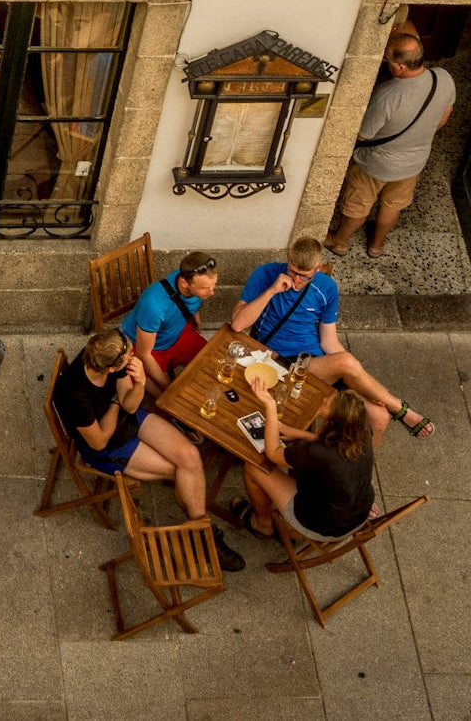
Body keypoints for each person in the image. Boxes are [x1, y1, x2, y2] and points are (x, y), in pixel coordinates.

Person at [54, 330, 244, 571]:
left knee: (190, 457)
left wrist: (141, 382)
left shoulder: (105, 352)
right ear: (110, 368)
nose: (134, 357)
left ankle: (201, 532)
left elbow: (130, 404)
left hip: (127, 418)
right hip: (108, 446)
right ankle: (205, 538)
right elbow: (99, 441)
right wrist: (114, 402)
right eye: (129, 356)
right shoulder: (75, 396)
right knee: (180, 473)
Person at [231, 237, 432, 440]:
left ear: (317, 269)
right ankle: (399, 407)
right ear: (288, 257)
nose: (297, 281)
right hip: (279, 361)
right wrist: (272, 290)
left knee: (379, 417)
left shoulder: (326, 287)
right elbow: (238, 324)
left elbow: (329, 341)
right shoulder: (265, 274)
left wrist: (361, 377)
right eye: (292, 272)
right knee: (347, 363)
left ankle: (356, 468)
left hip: (317, 364)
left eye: (305, 276)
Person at [325, 32, 455, 259]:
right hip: (414, 162)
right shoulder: (443, 78)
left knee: (358, 204)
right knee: (393, 204)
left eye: (388, 60)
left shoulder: (388, 94)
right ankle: (376, 246)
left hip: (376, 164)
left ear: (401, 67)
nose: (386, 64)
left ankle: (340, 242)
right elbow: (444, 117)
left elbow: (364, 135)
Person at [232, 379, 375, 542]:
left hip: (325, 526)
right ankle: (287, 527)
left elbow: (273, 453)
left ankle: (263, 525)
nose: (325, 400)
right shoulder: (362, 431)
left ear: (333, 421)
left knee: (254, 467)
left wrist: (270, 406)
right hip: (358, 513)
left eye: (328, 403)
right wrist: (300, 434)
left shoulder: (318, 453)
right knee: (300, 450)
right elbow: (334, 448)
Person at [119, 251, 218, 396]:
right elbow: (143, 353)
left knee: (214, 362)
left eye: (213, 285)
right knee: (166, 398)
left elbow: (191, 299)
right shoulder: (154, 306)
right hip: (148, 347)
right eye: (205, 288)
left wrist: (195, 314)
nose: (211, 293)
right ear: (184, 283)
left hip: (175, 333)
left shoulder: (187, 275)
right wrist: (169, 386)